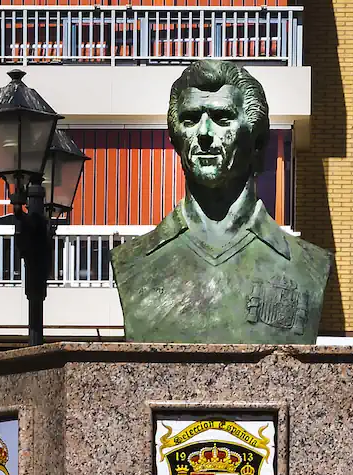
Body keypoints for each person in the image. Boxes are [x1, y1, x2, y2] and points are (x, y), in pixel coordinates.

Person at [110, 60, 332, 344]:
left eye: (222, 117)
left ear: (257, 141)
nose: (203, 133)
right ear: (175, 138)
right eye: (190, 119)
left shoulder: (308, 266)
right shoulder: (134, 264)